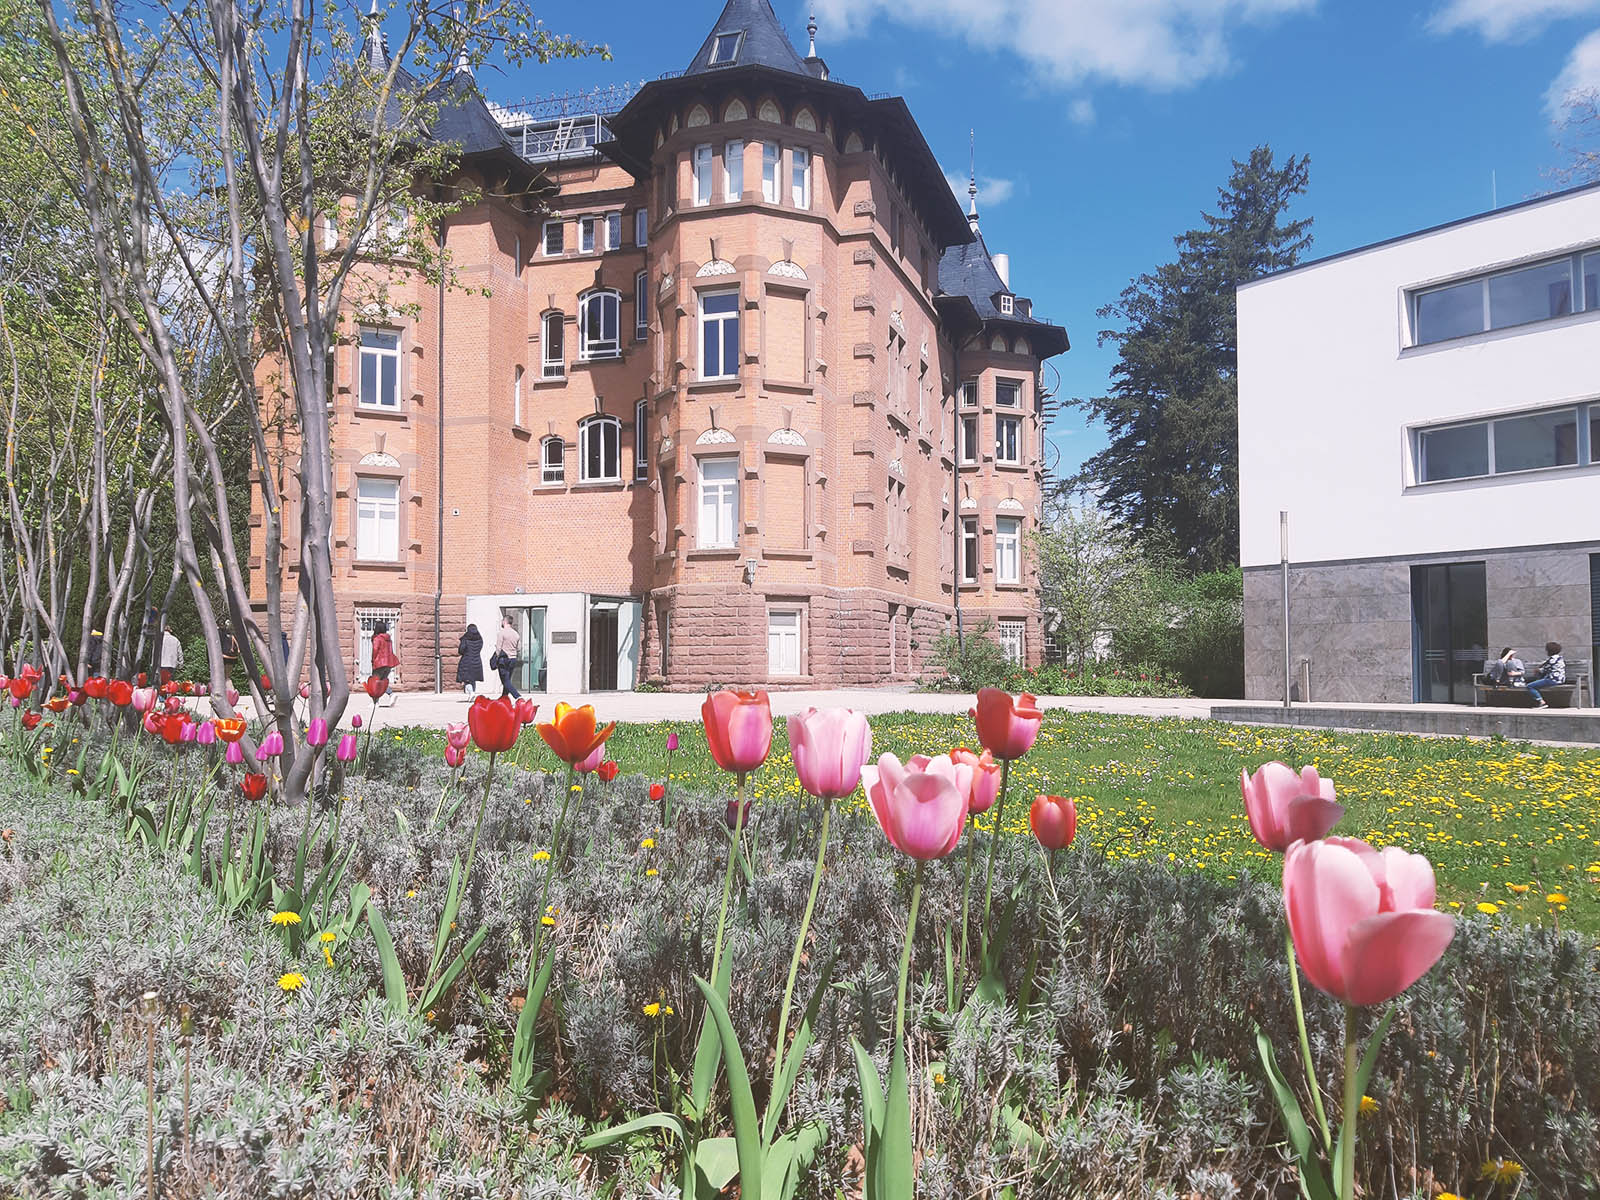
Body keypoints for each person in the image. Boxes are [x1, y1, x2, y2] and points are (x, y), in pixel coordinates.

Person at [1524, 641, 1566, 709]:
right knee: (1537, 681)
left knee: (1530, 686)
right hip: (1560, 679)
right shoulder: (1559, 658)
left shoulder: (1552, 659)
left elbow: (1545, 669)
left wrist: (1537, 670)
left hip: (1552, 680)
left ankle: (1541, 702)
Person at [370, 620, 400, 705]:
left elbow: (375, 650)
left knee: (375, 683)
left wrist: (372, 660)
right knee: (382, 682)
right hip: (388, 663)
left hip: (379, 663)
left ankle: (375, 703)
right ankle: (391, 694)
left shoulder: (377, 638)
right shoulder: (388, 639)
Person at [494, 614, 521, 700]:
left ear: (505, 621)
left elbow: (498, 648)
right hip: (513, 658)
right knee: (508, 679)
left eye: (502, 621)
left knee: (505, 681)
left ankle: (518, 697)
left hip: (503, 659)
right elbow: (519, 648)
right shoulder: (516, 634)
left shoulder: (501, 633)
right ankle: (504, 698)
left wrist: (496, 658)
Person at [456, 623, 484, 698]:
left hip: (466, 661)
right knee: (473, 679)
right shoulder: (480, 638)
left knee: (465, 679)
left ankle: (471, 693)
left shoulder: (465, 638)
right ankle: (473, 694)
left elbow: (461, 650)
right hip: (477, 660)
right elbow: (480, 648)